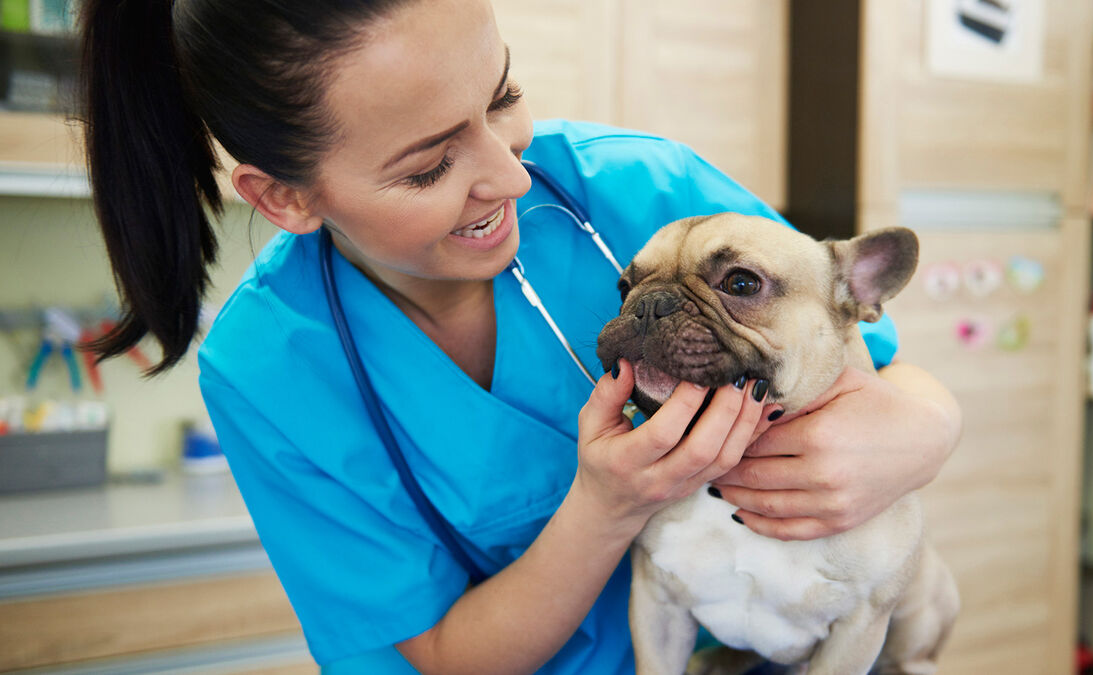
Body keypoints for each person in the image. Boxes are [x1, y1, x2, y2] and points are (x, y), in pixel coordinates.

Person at [79, 0, 962, 672]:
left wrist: (928, 426)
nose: (508, 172)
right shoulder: (270, 369)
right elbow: (442, 652)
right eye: (429, 164)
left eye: (501, 96)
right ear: (286, 199)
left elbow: (869, 369)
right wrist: (608, 506)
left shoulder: (638, 186)